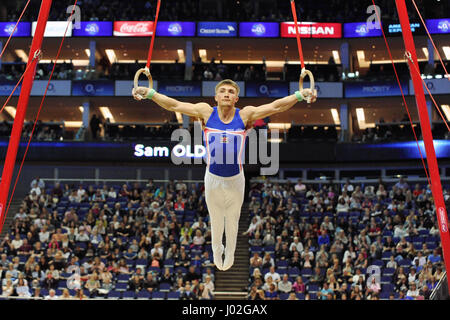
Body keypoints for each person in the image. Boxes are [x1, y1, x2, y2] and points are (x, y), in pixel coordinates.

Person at [133, 79, 316, 271]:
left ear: (236, 98)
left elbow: (276, 106)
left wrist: (298, 95)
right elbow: (174, 105)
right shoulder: (205, 112)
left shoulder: (245, 115)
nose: (226, 94)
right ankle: (216, 248)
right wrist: (151, 93)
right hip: (212, 177)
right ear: (216, 97)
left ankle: (230, 251)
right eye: (222, 91)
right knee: (217, 218)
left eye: (230, 91)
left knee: (233, 218)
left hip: (236, 178)